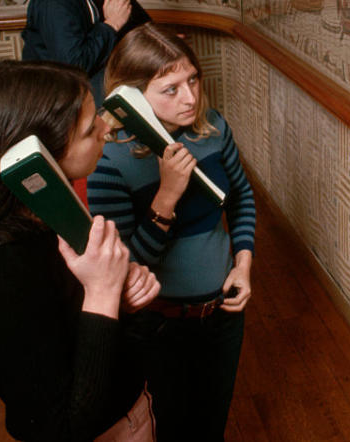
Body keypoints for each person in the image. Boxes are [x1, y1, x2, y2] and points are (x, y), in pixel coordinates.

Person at [0, 60, 161, 441]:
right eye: (90, 130)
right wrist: (104, 293)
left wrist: (123, 304)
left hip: (133, 410)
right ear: (37, 158)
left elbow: (84, 335)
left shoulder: (49, 211)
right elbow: (63, 427)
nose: (107, 128)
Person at [88, 24, 255, 441]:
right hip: (160, 325)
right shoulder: (108, 160)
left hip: (222, 312)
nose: (190, 97)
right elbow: (125, 268)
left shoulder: (213, 129)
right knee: (175, 427)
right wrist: (166, 197)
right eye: (171, 88)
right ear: (130, 97)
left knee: (212, 422)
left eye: (193, 80)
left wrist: (243, 265)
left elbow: (242, 199)